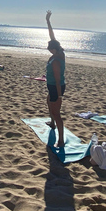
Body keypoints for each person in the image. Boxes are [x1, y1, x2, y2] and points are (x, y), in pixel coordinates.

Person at [45, 10, 66, 148]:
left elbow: (58, 80)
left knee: (56, 113)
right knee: (48, 101)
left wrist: (59, 96)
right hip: (52, 85)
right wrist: (48, 21)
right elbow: (52, 36)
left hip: (56, 87)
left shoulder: (57, 60)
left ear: (54, 49)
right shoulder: (58, 50)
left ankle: (61, 140)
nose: (48, 49)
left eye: (49, 48)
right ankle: (52, 123)